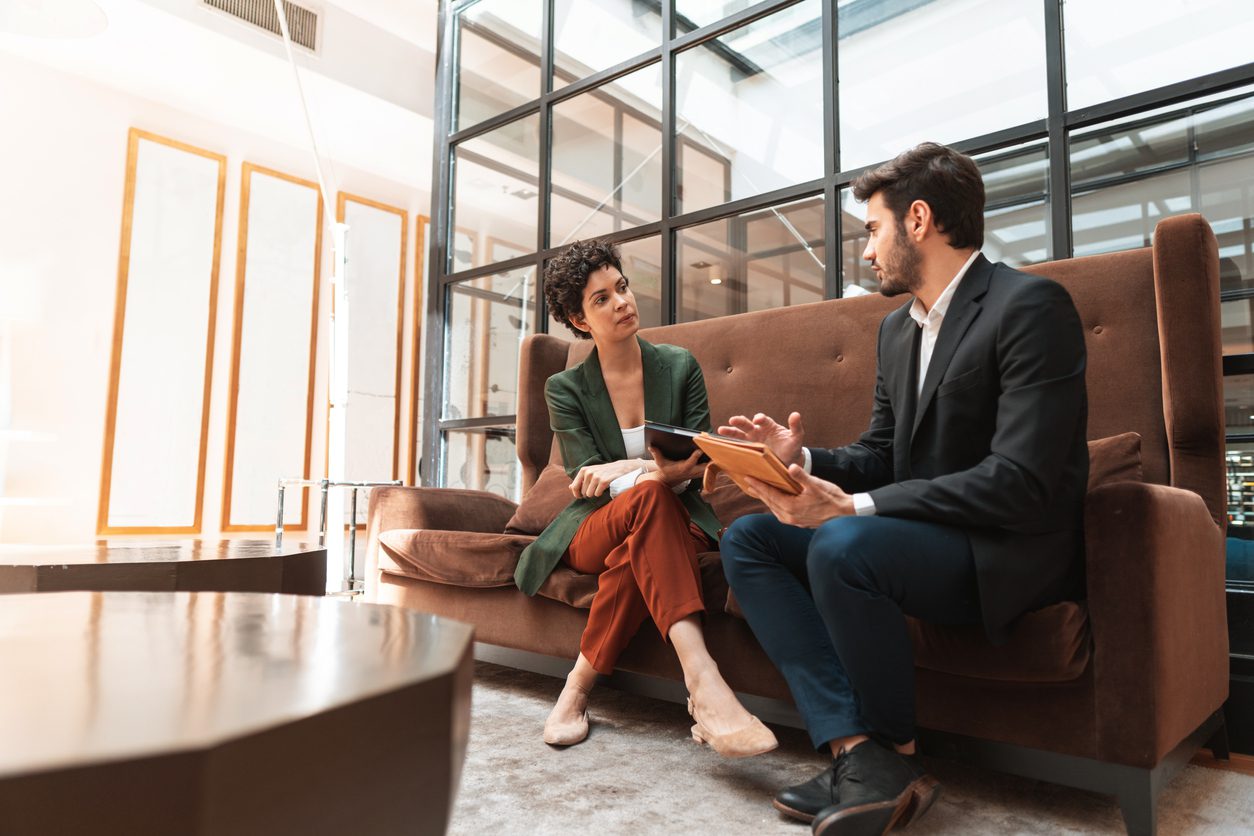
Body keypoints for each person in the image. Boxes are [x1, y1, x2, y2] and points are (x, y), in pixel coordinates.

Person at [718, 142, 1088, 835]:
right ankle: (864, 755)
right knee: (751, 539)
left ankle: (894, 753)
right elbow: (885, 453)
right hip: (915, 540)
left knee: (841, 544)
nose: (866, 252)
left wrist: (850, 506)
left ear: (918, 219)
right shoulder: (896, 331)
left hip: (1001, 549)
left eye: (872, 230)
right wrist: (804, 456)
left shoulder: (1031, 306)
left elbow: (1021, 482)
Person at [515, 238, 777, 758]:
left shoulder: (679, 366)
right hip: (595, 524)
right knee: (650, 502)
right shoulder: (565, 388)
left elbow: (702, 461)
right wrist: (651, 472)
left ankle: (578, 689)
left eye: (622, 288)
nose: (622, 303)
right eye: (602, 299)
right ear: (579, 319)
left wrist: (629, 468)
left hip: (679, 516)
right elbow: (588, 481)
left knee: (646, 534)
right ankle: (702, 681)